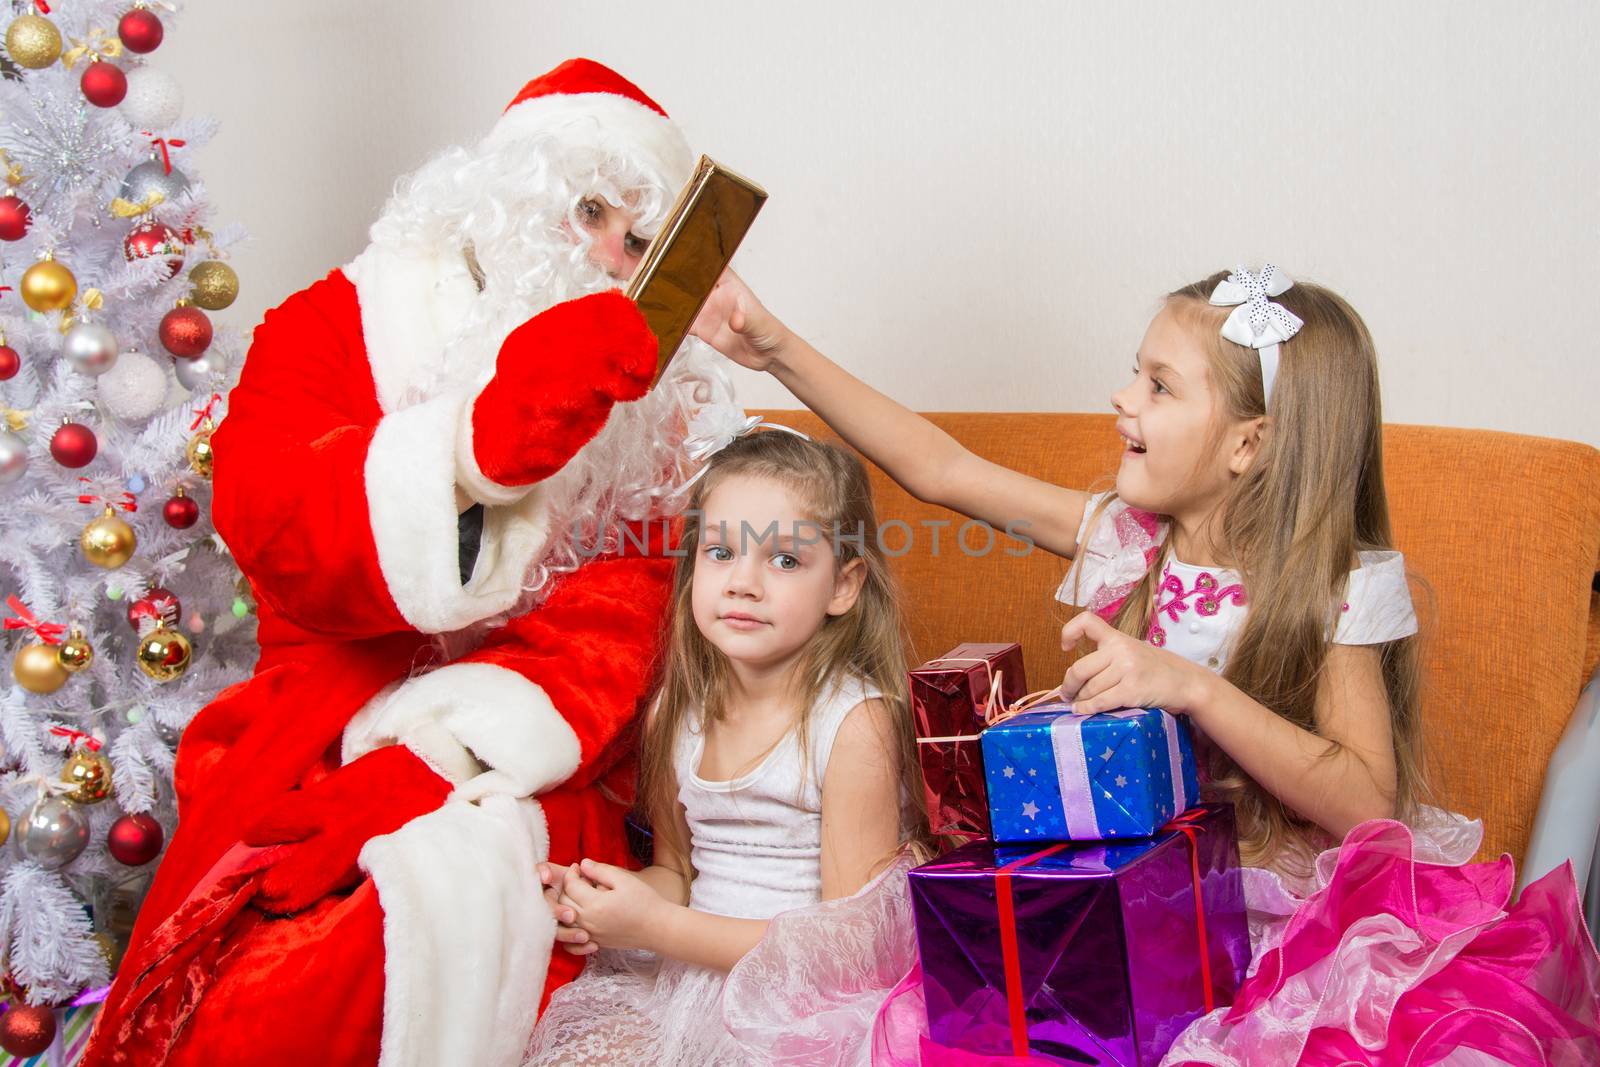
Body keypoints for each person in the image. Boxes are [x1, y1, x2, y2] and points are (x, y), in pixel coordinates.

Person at [694, 265, 1600, 1064]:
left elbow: (1369, 801)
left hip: (1277, 931)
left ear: (1247, 443)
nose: (1122, 398)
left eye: (1159, 385)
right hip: (1125, 909)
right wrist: (773, 348)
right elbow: (943, 468)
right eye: (1136, 371)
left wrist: (1192, 686)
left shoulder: (1334, 584)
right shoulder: (1126, 543)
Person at [83, 59, 733, 1067]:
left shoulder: (653, 407)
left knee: (401, 926)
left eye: (638, 240)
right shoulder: (336, 318)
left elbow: (628, 612)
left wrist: (440, 755)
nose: (607, 250)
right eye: (591, 207)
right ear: (511, 190)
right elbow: (269, 515)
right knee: (253, 985)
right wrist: (468, 456)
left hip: (531, 742)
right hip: (318, 712)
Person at [524, 426, 929, 1066]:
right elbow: (679, 873)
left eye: (785, 560)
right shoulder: (676, 715)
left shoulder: (853, 724)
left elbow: (845, 952)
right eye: (720, 553)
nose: (743, 582)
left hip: (804, 1010)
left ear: (844, 586)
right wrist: (602, 904)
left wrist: (658, 928)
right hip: (685, 983)